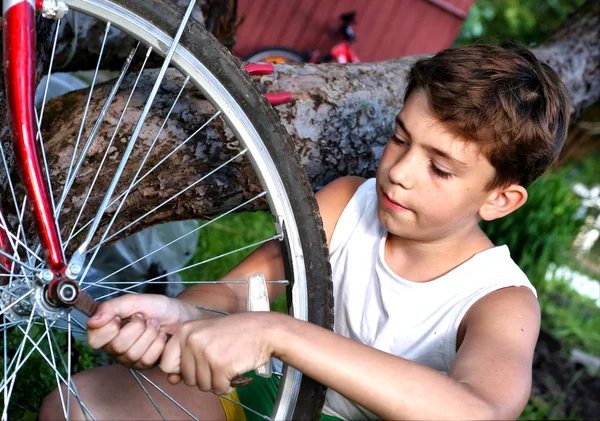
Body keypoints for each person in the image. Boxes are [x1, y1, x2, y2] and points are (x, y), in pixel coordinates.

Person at [40, 43, 570, 420]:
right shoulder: (347, 203)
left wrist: (281, 334)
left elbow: (476, 411)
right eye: (400, 139)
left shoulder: (499, 300)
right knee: (77, 407)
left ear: (501, 199)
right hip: (274, 400)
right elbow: (237, 292)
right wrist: (179, 325)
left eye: (440, 167)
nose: (400, 172)